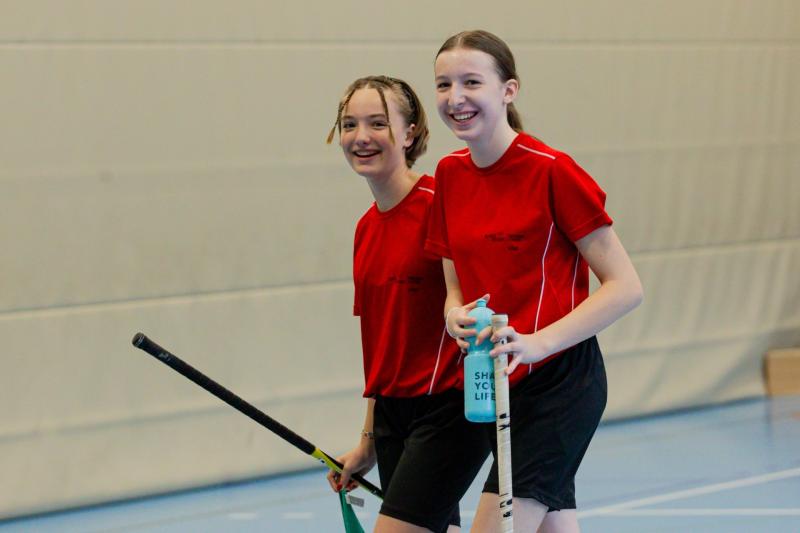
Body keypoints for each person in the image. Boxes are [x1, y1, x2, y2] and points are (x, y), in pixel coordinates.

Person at [426, 31, 644, 533]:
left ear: (509, 90)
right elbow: (454, 284)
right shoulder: (449, 175)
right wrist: (453, 314)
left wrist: (537, 343)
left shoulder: (552, 171)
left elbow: (626, 286)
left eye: (471, 82)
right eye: (443, 84)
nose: (455, 98)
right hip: (497, 384)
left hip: (561, 384)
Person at [325, 75, 490, 533]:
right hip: (393, 418)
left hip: (449, 408)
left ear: (410, 132)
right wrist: (368, 441)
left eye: (378, 123)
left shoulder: (442, 206)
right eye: (349, 125)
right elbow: (382, 349)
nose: (361, 137)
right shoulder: (365, 228)